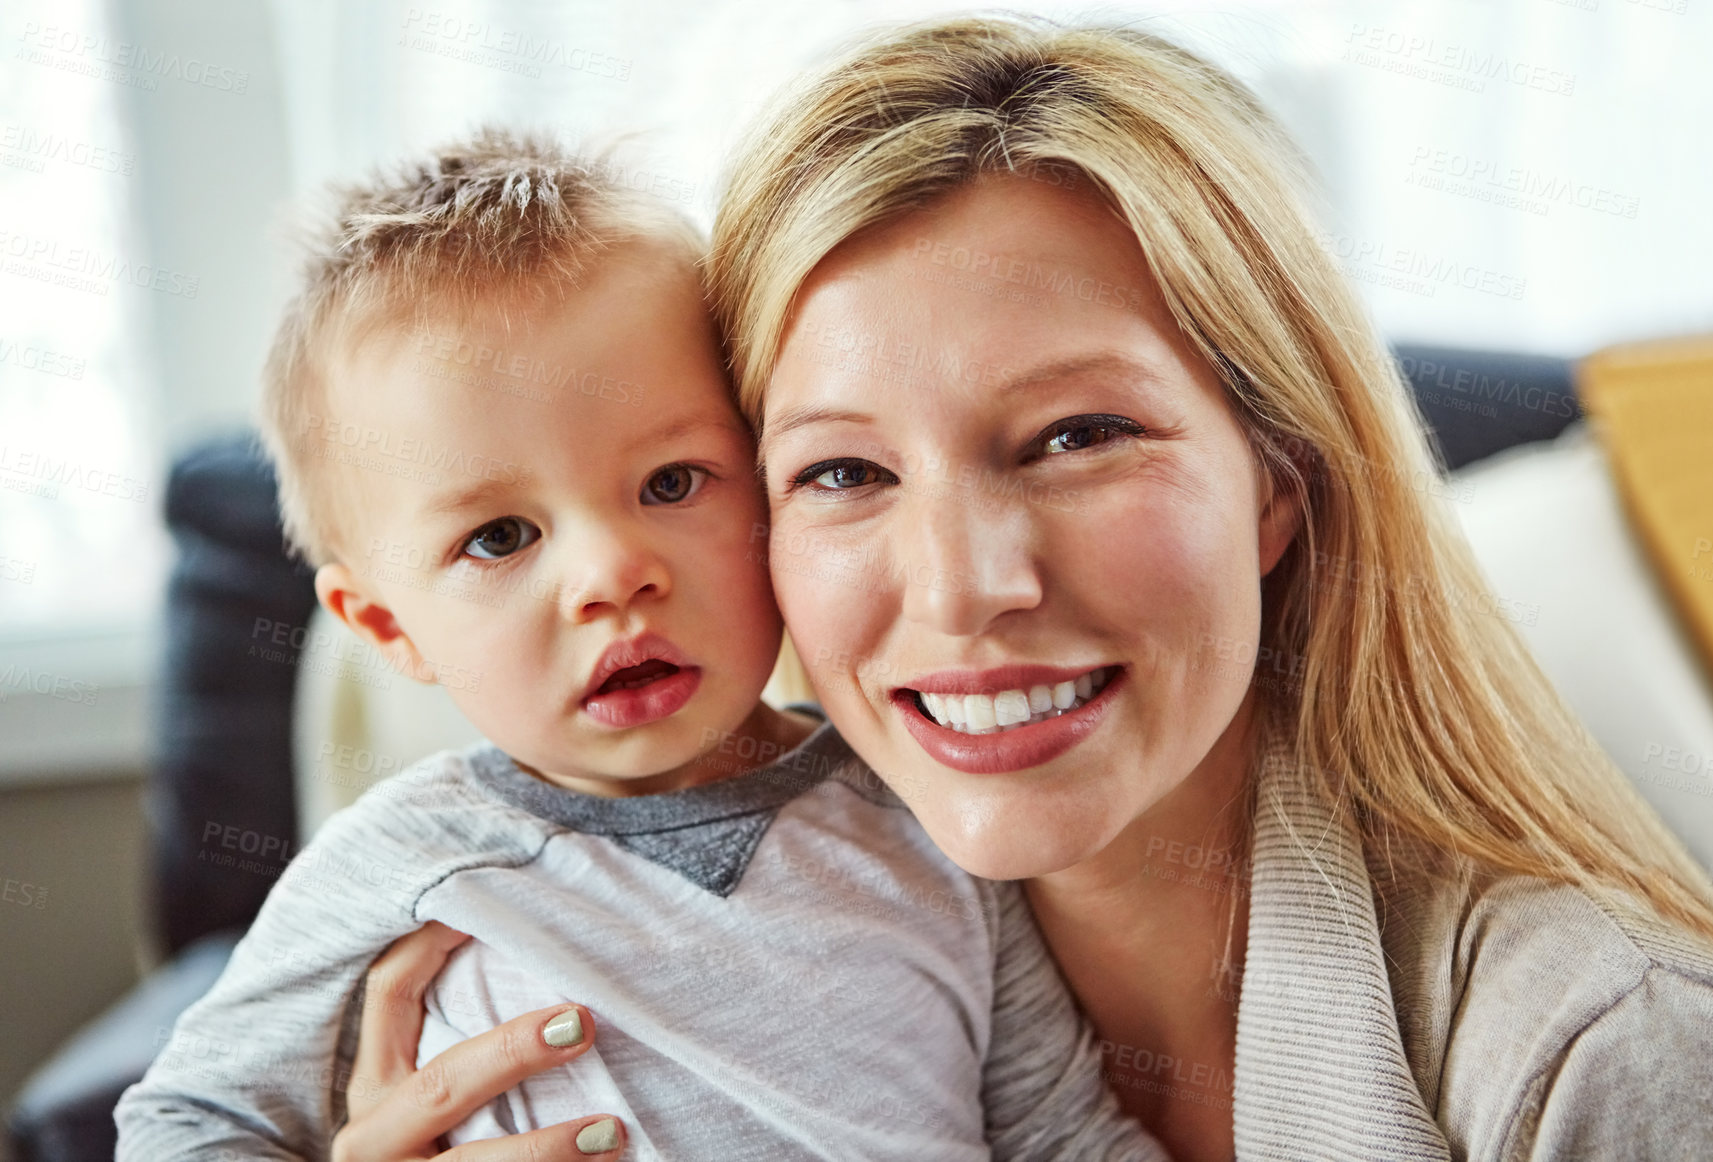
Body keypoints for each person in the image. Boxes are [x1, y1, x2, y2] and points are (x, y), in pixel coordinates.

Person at [335, 18, 1713, 1162]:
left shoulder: (1606, 1055)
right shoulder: (639, 973)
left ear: (1279, 480)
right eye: (841, 472)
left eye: (1075, 438)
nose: (963, 586)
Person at [112, 129, 1171, 1161]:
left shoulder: (922, 807)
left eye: (671, 482)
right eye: (500, 537)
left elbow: (1056, 1129)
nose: (613, 575)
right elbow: (186, 1124)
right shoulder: (405, 863)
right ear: (389, 625)